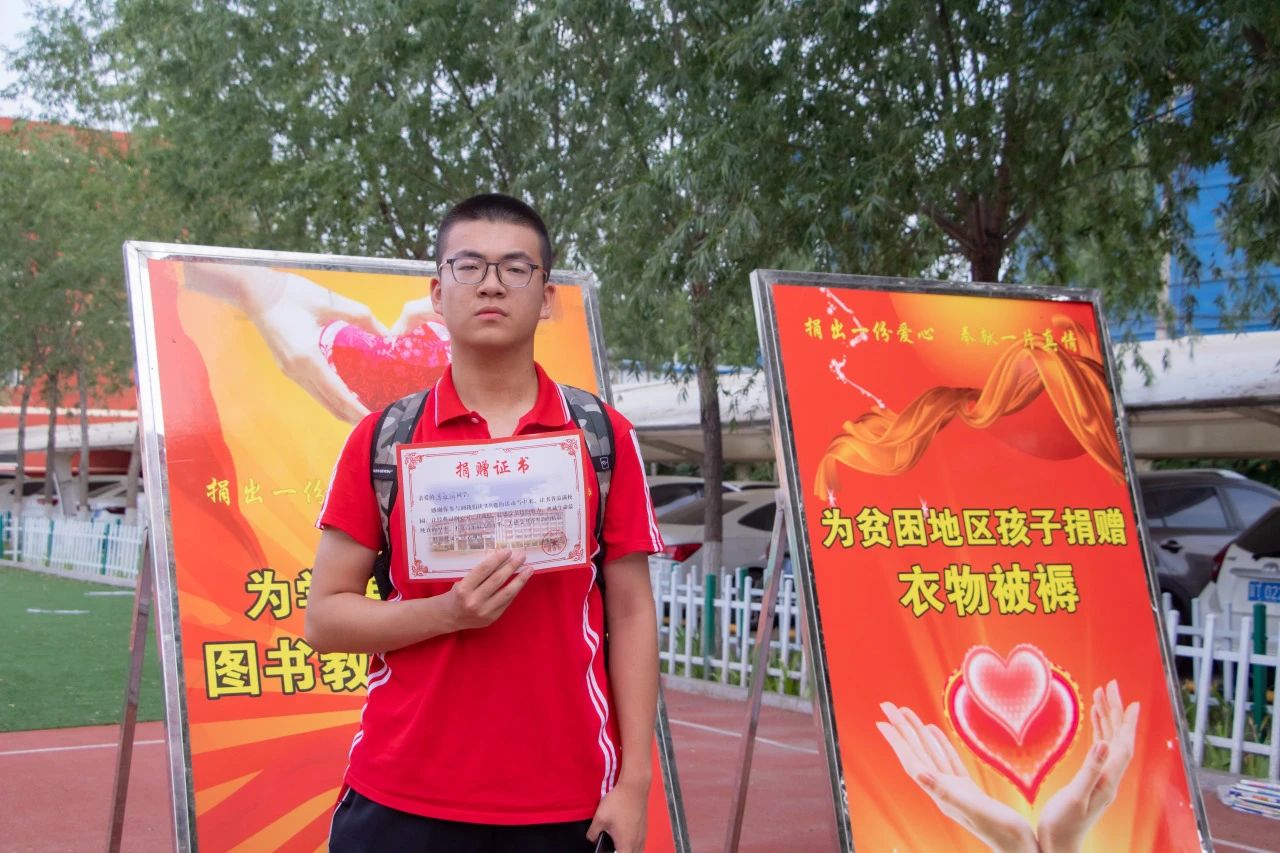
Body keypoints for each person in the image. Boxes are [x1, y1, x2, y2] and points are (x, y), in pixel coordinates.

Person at [305, 193, 663, 853]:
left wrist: (635, 780)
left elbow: (633, 611)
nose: (492, 284)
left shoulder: (601, 437)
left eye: (515, 268)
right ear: (437, 293)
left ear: (546, 297)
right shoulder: (383, 440)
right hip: (401, 796)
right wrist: (448, 613)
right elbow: (325, 620)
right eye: (469, 266)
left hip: (568, 802)